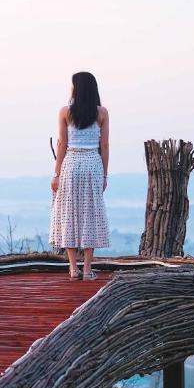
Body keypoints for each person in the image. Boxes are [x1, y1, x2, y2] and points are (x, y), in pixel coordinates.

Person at [49, 71, 111, 281]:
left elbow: (62, 145)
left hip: (71, 164)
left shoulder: (65, 112)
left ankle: (73, 269)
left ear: (76, 88)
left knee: (69, 213)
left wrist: (56, 174)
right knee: (90, 214)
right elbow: (104, 145)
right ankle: (86, 270)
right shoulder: (101, 113)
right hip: (93, 164)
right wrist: (104, 175)